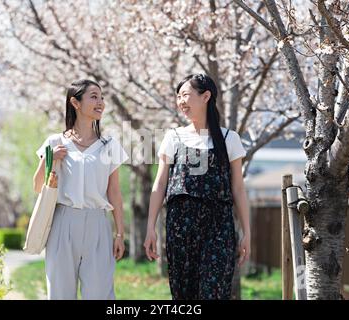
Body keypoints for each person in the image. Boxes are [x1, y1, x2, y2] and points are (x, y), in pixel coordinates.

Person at [144, 74, 251, 300]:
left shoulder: (229, 138)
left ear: (206, 97)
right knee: (184, 295)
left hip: (218, 226)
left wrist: (246, 232)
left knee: (214, 292)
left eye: (185, 95)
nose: (180, 101)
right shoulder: (173, 137)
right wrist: (150, 227)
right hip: (180, 226)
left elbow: (239, 189)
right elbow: (160, 183)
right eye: (178, 97)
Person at [33, 79, 128, 300]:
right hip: (63, 222)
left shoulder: (109, 145)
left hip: (98, 224)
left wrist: (120, 234)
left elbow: (115, 192)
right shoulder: (55, 141)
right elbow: (37, 187)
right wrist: (49, 159)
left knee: (100, 294)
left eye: (101, 97)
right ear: (75, 102)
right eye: (94, 96)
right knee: (60, 293)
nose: (101, 102)